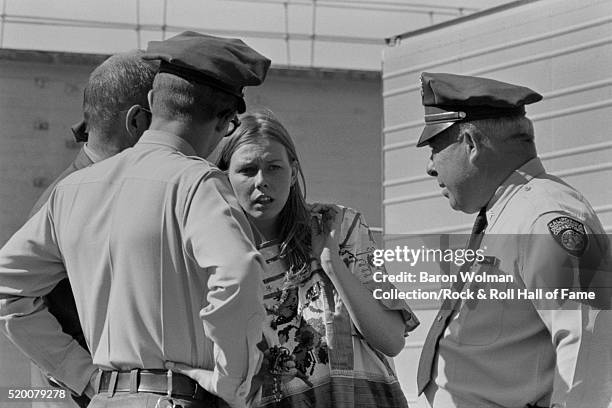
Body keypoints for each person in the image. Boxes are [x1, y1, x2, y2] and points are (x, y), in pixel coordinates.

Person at [0, 31, 271, 408]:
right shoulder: (197, 183)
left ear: (151, 103)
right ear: (224, 120)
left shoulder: (72, 190)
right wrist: (233, 381)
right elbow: (239, 273)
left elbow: (7, 288)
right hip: (179, 398)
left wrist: (85, 377)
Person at [171, 110, 420, 407]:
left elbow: (391, 340)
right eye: (248, 170)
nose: (262, 181)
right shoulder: (216, 256)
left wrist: (331, 264)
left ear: (293, 172)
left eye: (274, 167)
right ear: (225, 179)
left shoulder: (339, 226)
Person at [415, 72, 611, 408]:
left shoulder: (545, 214)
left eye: (435, 148)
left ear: (470, 144)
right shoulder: (509, 213)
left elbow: (592, 342)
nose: (430, 168)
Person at [27, 50, 157, 408]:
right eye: (165, 123)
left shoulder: (100, 191)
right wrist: (88, 378)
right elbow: (12, 298)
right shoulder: (72, 199)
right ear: (138, 122)